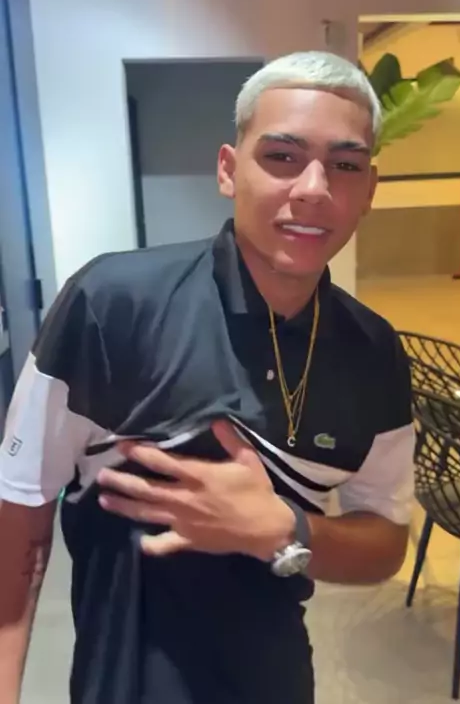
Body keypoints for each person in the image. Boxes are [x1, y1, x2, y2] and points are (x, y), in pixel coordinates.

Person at [0, 51, 415, 704]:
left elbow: (386, 540)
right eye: (282, 156)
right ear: (228, 169)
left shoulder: (374, 352)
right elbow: (20, 513)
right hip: (122, 684)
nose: (313, 187)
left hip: (279, 682)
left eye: (344, 165)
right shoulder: (111, 304)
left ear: (369, 189)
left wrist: (288, 529)